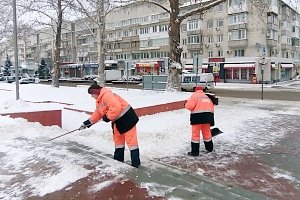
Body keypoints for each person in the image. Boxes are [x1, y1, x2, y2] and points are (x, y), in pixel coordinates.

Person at [79, 82, 141, 168]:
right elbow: (98, 113)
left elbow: (116, 107)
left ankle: (135, 164)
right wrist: (86, 123)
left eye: (92, 94)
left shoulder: (107, 95)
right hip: (117, 120)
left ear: (96, 92)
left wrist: (107, 117)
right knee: (118, 141)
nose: (91, 96)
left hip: (127, 118)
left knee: (131, 142)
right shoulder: (99, 101)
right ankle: (118, 161)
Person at [185, 86, 215, 156]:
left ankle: (195, 152)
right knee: (207, 133)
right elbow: (212, 107)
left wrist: (185, 104)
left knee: (195, 134)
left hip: (197, 118)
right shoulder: (207, 97)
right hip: (208, 117)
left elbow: (190, 106)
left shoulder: (194, 96)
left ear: (195, 90)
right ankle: (209, 148)